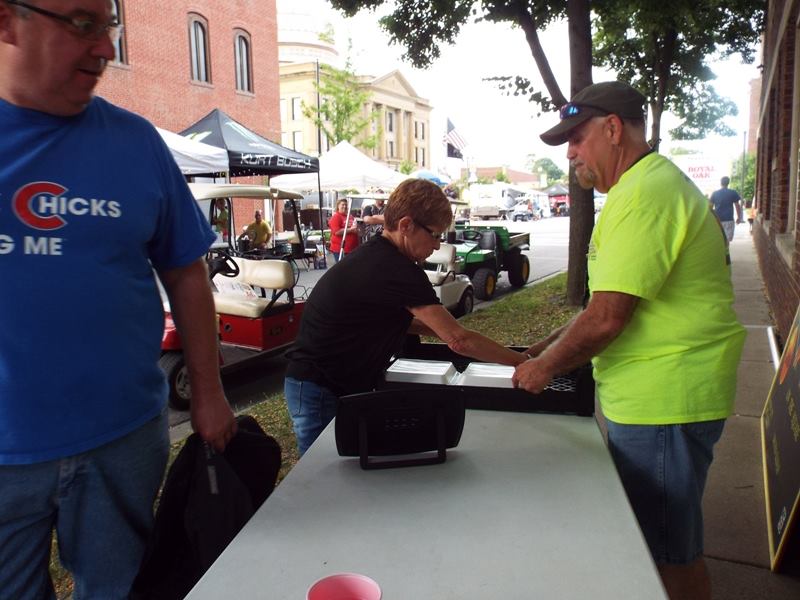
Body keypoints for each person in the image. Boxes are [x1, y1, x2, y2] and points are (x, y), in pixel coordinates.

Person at [0, 1, 237, 597]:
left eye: (109, 26)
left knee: (121, 588)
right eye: (82, 24)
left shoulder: (136, 142)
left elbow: (187, 273)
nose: (106, 48)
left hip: (122, 437)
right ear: (6, 20)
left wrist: (209, 392)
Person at [513, 81, 745, 600]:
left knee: (664, 555)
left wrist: (543, 368)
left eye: (576, 138)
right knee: (661, 541)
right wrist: (549, 342)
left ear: (613, 129)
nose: (570, 153)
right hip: (656, 396)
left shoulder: (644, 195)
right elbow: (610, 302)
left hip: (664, 400)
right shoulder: (643, 187)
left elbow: (607, 319)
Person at [284, 179, 528, 455]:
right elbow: (459, 341)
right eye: (435, 235)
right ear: (406, 225)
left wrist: (444, 330)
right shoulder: (397, 269)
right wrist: (522, 362)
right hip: (318, 386)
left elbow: (387, 320)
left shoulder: (379, 254)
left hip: (327, 381)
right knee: (321, 470)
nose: (437, 246)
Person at [709, 176, 743, 242]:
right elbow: (737, 206)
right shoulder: (733, 192)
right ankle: (726, 248)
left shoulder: (715, 193)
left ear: (720, 183)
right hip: (729, 219)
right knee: (727, 240)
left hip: (718, 220)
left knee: (719, 239)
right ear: (728, 183)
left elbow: (710, 207)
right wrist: (739, 217)